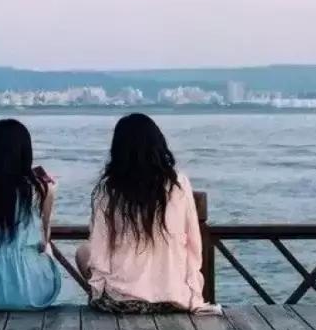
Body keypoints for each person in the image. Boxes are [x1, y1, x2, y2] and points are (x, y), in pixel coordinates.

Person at [76, 113, 217, 313]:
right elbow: (194, 245)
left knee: (83, 251)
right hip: (173, 299)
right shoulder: (178, 184)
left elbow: (100, 251)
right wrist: (193, 293)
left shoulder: (109, 190)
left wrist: (98, 291)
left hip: (122, 300)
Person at [0, 118, 61, 310]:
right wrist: (50, 191)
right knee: (46, 256)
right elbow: (44, 240)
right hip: (29, 291)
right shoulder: (36, 190)